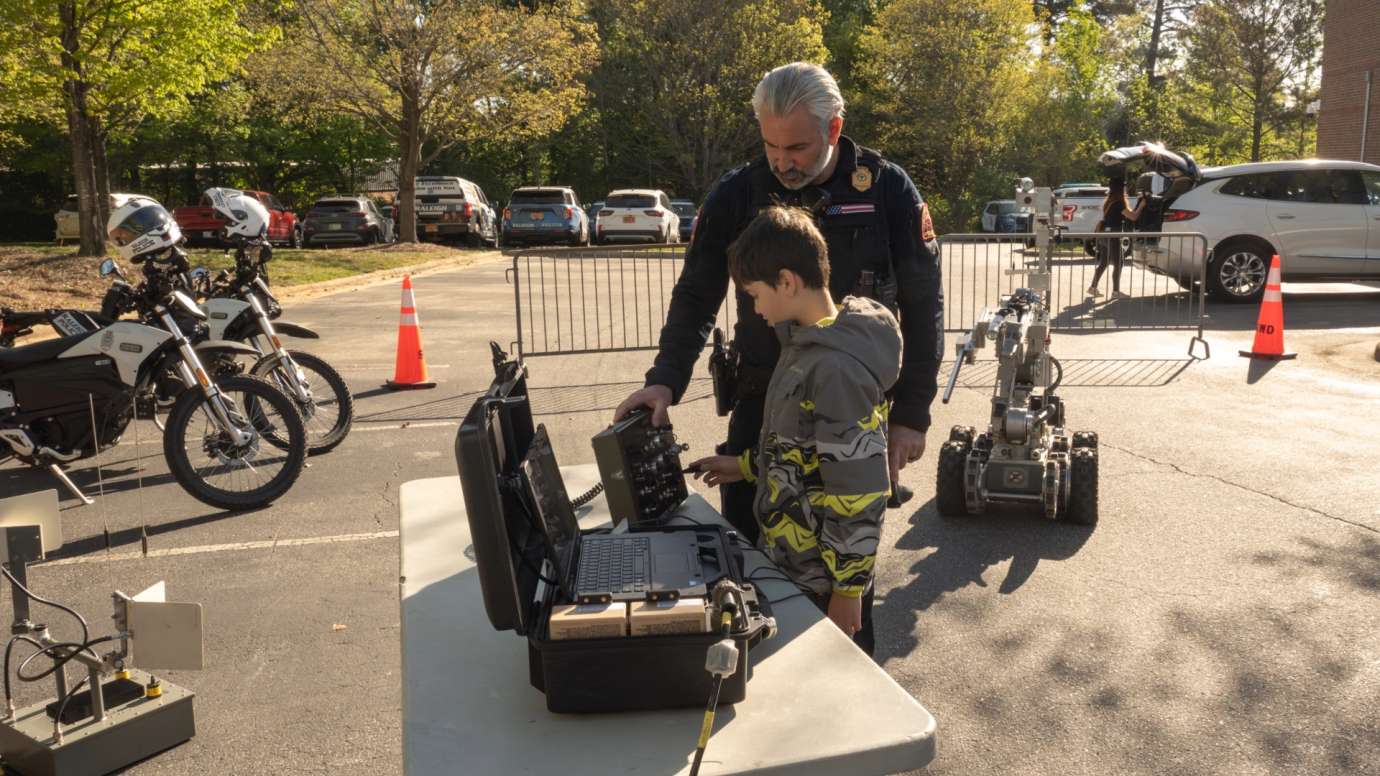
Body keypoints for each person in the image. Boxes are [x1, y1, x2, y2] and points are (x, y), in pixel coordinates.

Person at [614, 62, 944, 544]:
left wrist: (912, 415)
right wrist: (664, 381)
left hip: (847, 413)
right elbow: (696, 294)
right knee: (748, 566)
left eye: (796, 148)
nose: (782, 161)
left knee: (840, 566)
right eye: (771, 145)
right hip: (762, 404)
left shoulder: (887, 190)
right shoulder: (737, 192)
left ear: (834, 127)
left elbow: (923, 305)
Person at [687, 206, 899, 655]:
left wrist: (847, 590)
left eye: (755, 295)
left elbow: (857, 490)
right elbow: (799, 449)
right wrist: (744, 466)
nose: (756, 309)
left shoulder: (834, 367)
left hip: (823, 581)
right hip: (793, 565)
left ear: (787, 281)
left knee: (830, 694)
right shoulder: (804, 346)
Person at [1087, 176, 1139, 300]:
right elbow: (1133, 217)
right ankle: (1116, 291)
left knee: (1104, 262)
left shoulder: (1109, 201)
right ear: (1121, 189)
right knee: (1119, 262)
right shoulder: (1119, 202)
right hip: (1113, 236)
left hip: (1104, 235)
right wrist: (1141, 205)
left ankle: (1093, 287)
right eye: (1124, 187)